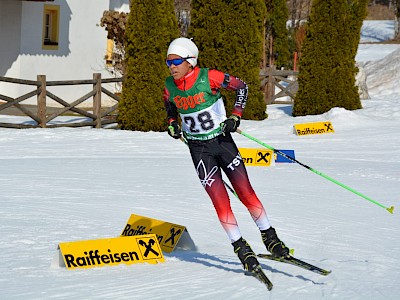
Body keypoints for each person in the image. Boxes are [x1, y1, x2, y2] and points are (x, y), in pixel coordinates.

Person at [163, 37, 289, 273]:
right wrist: (172, 123)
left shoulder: (209, 77)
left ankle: (270, 238)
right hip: (199, 151)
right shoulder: (169, 85)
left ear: (190, 61)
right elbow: (169, 105)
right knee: (220, 201)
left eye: (176, 61)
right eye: (168, 62)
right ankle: (240, 247)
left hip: (222, 143)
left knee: (245, 191)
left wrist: (235, 116)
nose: (171, 66)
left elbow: (242, 86)